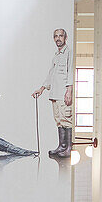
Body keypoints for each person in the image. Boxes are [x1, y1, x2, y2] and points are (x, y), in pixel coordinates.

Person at [32, 26, 75, 159]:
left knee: (66, 119)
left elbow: (71, 71)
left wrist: (69, 90)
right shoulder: (56, 55)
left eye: (60, 36)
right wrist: (42, 89)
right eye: (56, 36)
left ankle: (68, 148)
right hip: (55, 94)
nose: (58, 38)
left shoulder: (69, 52)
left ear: (65, 38)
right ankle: (61, 146)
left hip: (63, 94)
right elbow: (51, 74)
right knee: (58, 120)